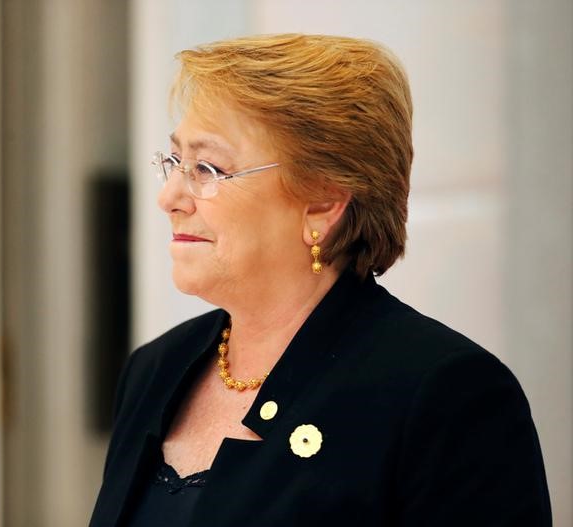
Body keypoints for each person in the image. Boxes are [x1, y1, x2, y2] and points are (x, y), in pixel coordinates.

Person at [89, 34, 551, 526]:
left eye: (207, 168)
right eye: (176, 162)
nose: (171, 198)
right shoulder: (156, 368)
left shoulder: (444, 395)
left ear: (324, 202)